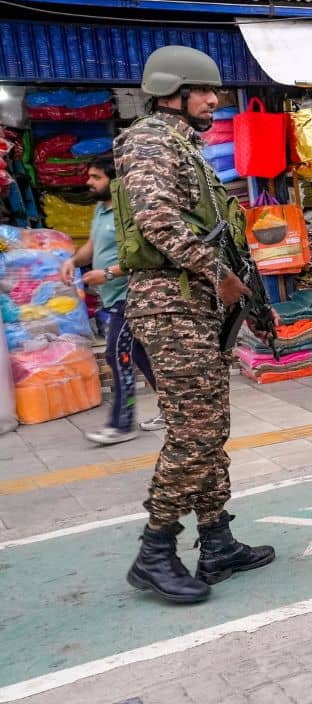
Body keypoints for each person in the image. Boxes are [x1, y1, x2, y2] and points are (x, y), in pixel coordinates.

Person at [114, 45, 274, 604]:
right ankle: (155, 550)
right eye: (204, 91)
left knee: (211, 428)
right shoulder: (153, 140)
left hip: (196, 306)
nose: (213, 99)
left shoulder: (185, 147)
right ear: (173, 92)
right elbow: (157, 220)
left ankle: (216, 540)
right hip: (172, 303)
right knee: (195, 431)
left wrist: (244, 294)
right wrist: (219, 274)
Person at [59, 156, 165, 445]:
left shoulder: (128, 212)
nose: (89, 182)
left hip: (130, 295)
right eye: (89, 177)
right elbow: (93, 246)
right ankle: (173, 407)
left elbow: (146, 255)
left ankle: (122, 423)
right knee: (140, 355)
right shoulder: (101, 210)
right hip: (112, 296)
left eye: (96, 177)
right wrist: (73, 261)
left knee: (116, 354)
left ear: (115, 181)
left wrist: (106, 274)